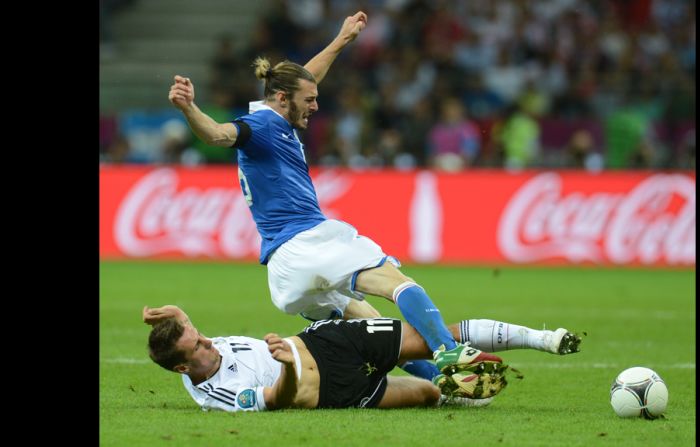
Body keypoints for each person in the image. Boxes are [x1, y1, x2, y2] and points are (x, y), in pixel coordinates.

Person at [168, 11, 580, 387]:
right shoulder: (257, 125)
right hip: (308, 240)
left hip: (283, 274)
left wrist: (341, 40)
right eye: (308, 101)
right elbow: (218, 135)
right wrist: (190, 109)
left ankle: (440, 384)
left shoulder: (275, 112)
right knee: (398, 283)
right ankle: (447, 352)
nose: (315, 105)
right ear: (282, 99)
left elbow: (307, 76)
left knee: (381, 331)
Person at [144, 305, 577, 411]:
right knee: (428, 395)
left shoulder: (197, 344)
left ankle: (542, 338)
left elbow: (186, 329)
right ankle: (450, 386)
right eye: (199, 347)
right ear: (183, 368)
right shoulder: (219, 395)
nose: (210, 344)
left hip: (327, 342)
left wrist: (177, 315)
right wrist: (290, 367)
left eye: (201, 336)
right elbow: (280, 399)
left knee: (430, 337)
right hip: (333, 390)